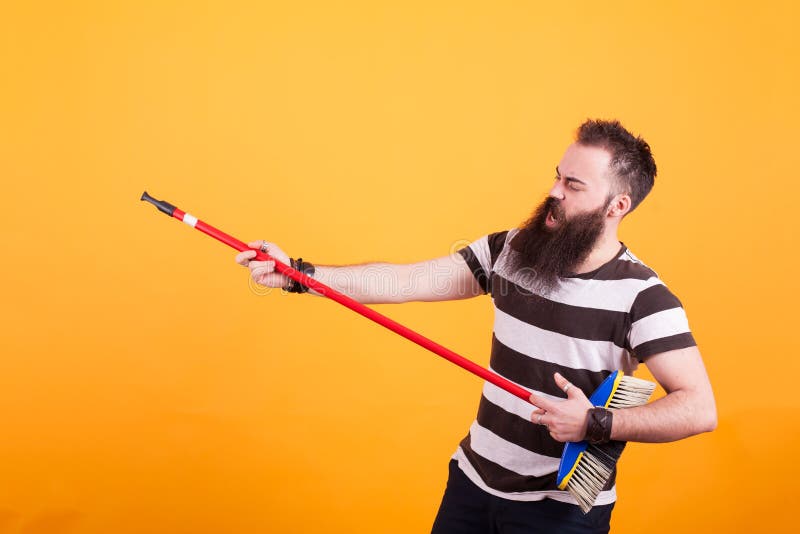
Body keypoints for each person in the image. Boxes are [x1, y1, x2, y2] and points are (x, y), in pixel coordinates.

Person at [235, 119, 717, 533]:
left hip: (560, 516)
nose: (553, 191)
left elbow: (699, 409)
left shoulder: (645, 299)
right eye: (557, 176)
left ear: (618, 206)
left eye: (574, 185)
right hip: (471, 485)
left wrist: (596, 422)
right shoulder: (511, 250)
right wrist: (301, 274)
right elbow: (407, 280)